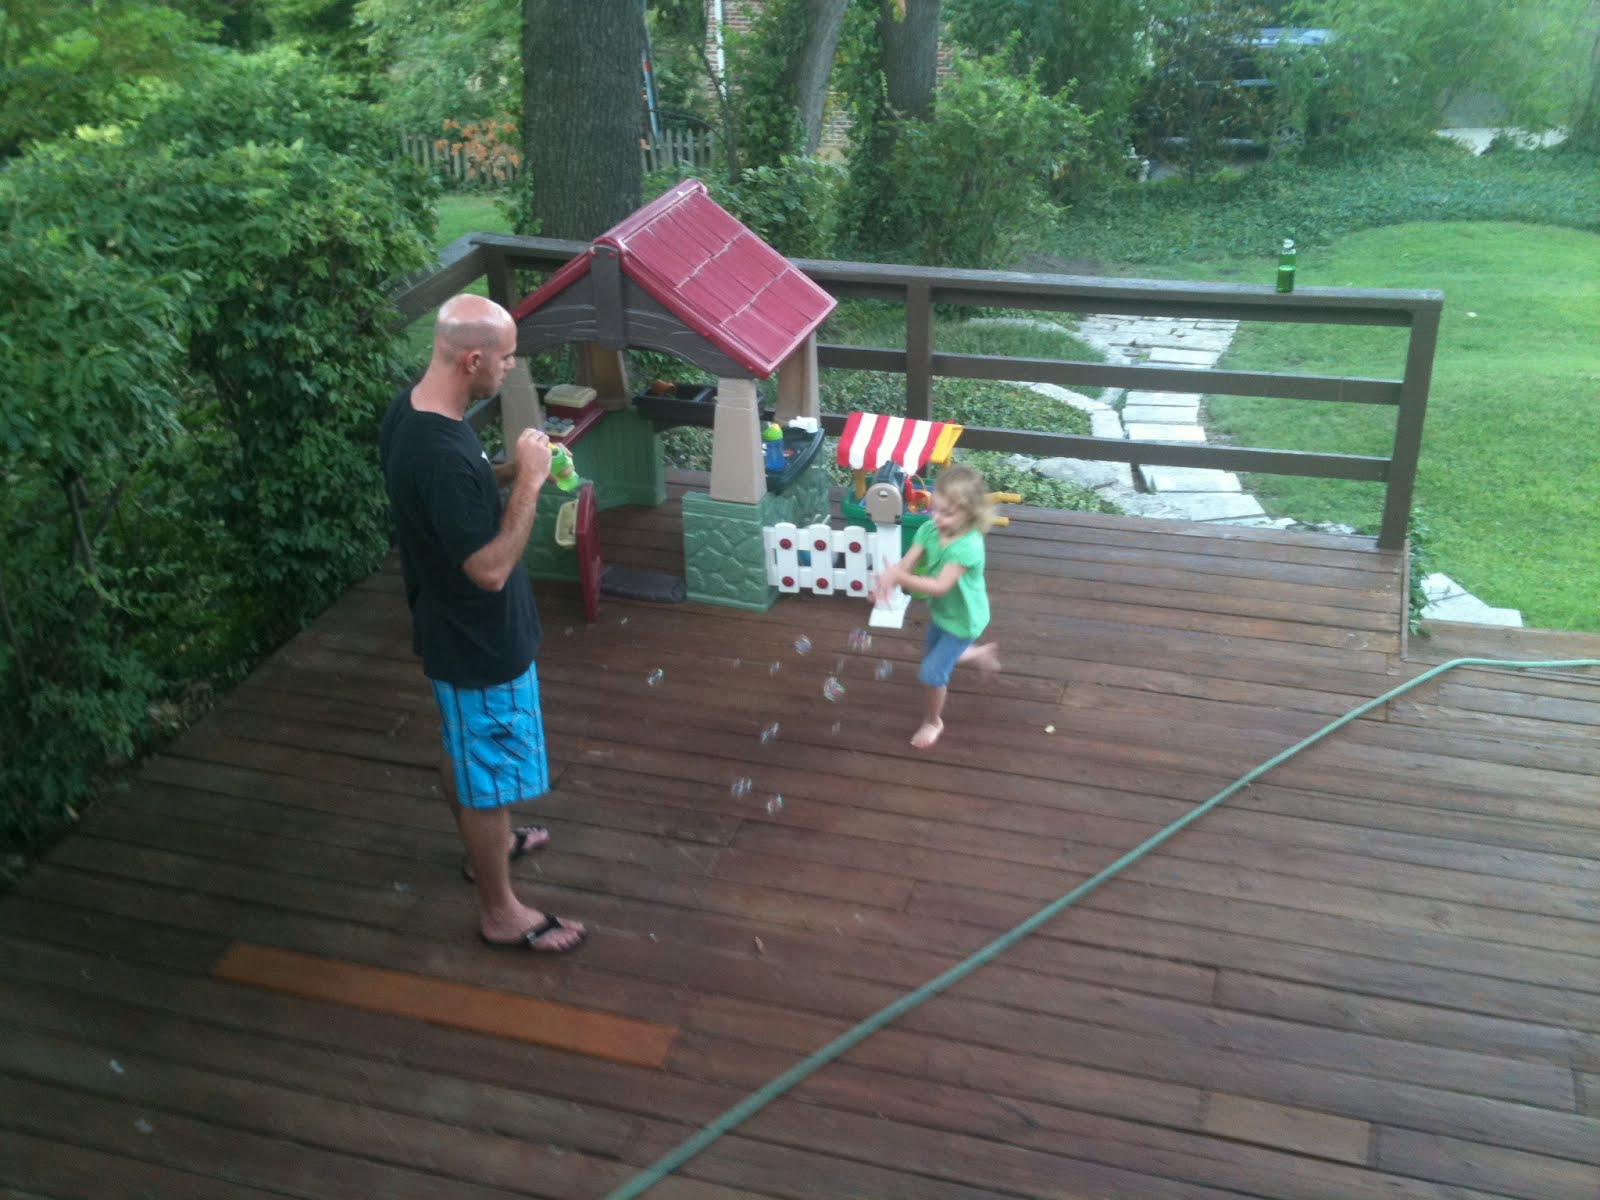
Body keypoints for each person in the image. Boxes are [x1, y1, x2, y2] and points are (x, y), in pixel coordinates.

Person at [379, 293, 586, 953]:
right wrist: (528, 484)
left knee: (465, 751)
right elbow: (489, 568)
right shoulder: (439, 450)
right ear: (473, 359)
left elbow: (457, 493)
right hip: (477, 641)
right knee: (488, 777)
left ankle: (485, 848)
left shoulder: (416, 412)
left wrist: (508, 469)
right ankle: (500, 911)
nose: (510, 366)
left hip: (448, 630)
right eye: (507, 357)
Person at [870, 463, 1001, 750]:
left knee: (931, 673)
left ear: (970, 513)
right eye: (936, 509)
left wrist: (899, 577)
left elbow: (941, 586)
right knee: (933, 656)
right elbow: (907, 562)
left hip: (965, 620)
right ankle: (978, 654)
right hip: (942, 613)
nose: (938, 518)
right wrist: (887, 581)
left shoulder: (967, 546)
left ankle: (933, 721)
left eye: (948, 513)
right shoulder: (930, 530)